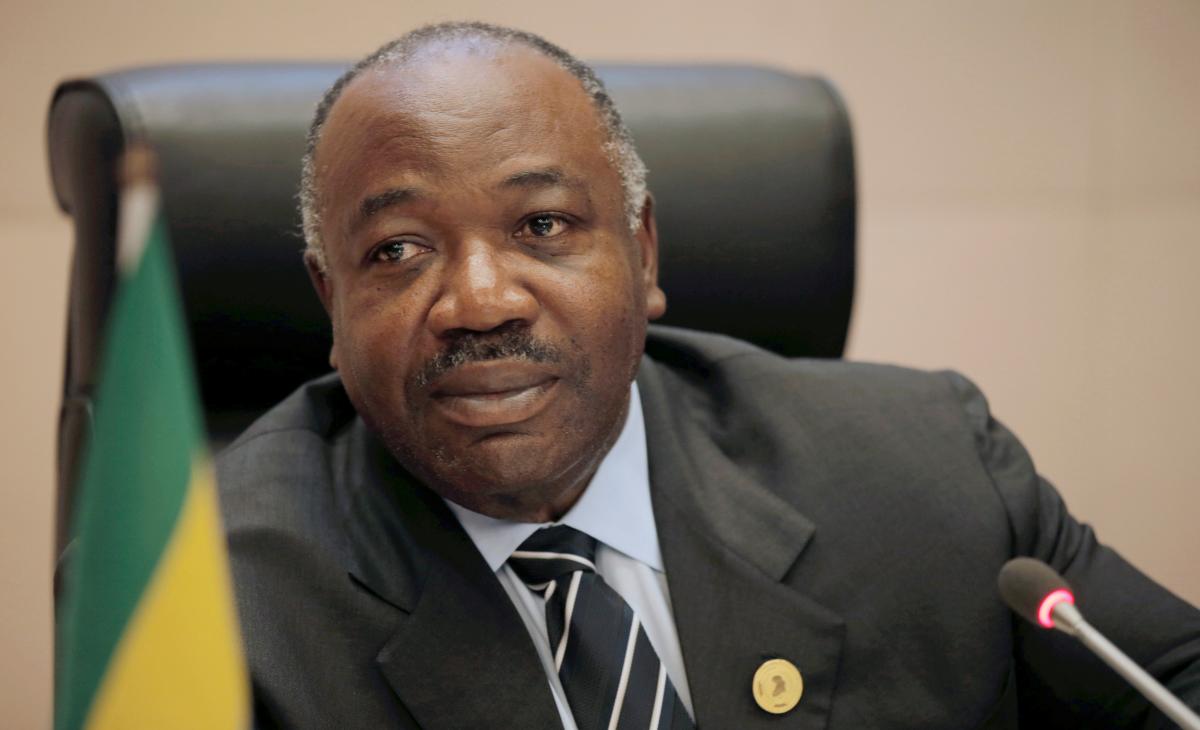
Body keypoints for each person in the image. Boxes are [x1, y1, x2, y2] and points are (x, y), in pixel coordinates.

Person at [216, 21, 1200, 730]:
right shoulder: (213, 609)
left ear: (642, 254)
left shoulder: (933, 469)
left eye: (542, 225)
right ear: (330, 305)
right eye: (395, 250)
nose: (479, 301)